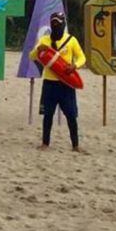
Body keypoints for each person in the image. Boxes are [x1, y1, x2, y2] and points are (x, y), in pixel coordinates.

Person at [29, 12, 86, 152]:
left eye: (59, 23)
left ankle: (76, 145)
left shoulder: (71, 40)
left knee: (71, 115)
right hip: (49, 83)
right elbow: (31, 56)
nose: (56, 25)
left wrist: (74, 66)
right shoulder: (44, 40)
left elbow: (82, 58)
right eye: (54, 23)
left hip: (66, 84)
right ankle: (45, 143)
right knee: (48, 115)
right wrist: (38, 50)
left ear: (64, 24)